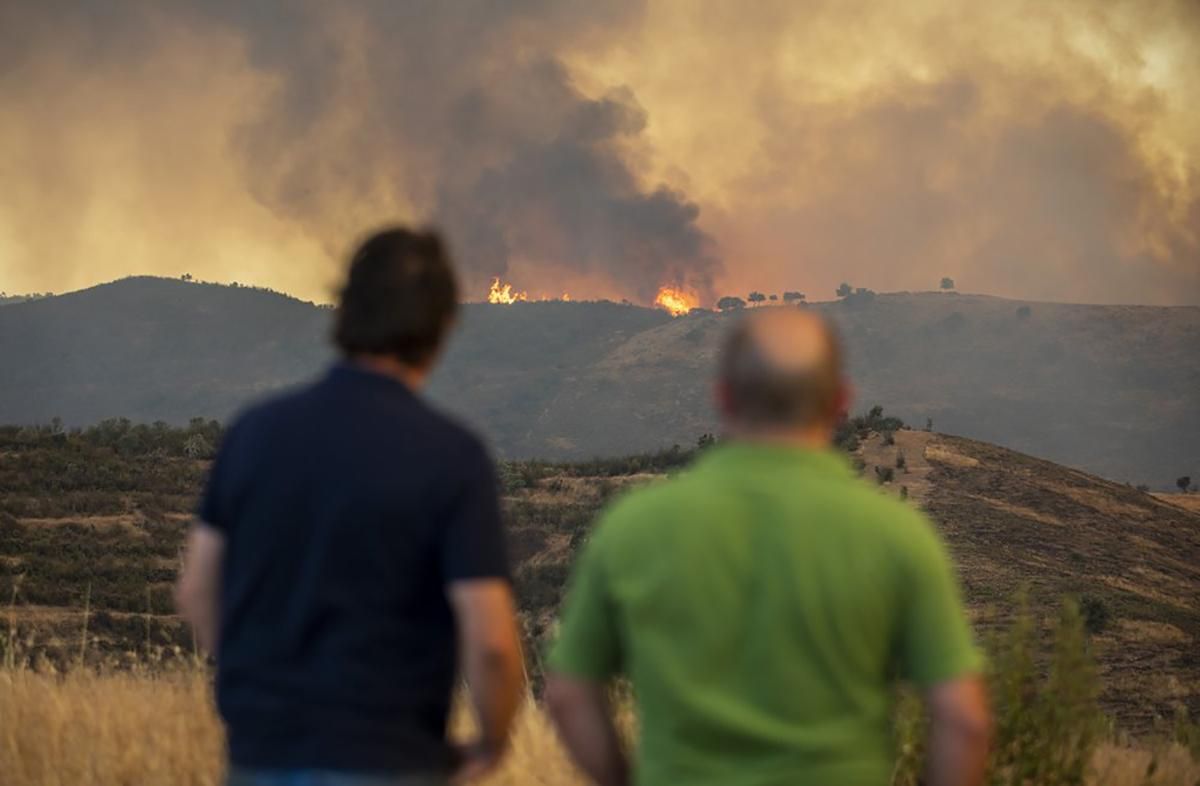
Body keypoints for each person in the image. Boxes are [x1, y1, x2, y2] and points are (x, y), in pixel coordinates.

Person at [545, 308, 991, 786]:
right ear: (840, 401)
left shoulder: (635, 525)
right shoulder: (896, 534)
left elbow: (569, 694)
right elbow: (963, 722)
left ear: (722, 396)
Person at [176, 228, 524, 786]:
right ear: (441, 327)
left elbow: (196, 590)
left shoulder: (253, 433)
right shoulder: (452, 456)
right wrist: (492, 742)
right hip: (391, 758)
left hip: (261, 756)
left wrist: (257, 688)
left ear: (345, 312)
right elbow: (492, 645)